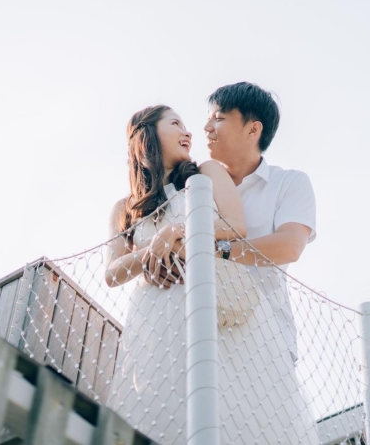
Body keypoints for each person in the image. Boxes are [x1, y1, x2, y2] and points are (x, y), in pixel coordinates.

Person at [105, 88, 319, 444]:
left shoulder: (264, 181)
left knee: (244, 420)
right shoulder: (125, 208)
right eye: (178, 124)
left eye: (217, 118)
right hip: (159, 321)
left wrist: (187, 239)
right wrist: (151, 254)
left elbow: (281, 243)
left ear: (253, 129)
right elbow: (112, 271)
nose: (200, 130)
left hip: (252, 321)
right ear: (146, 136)